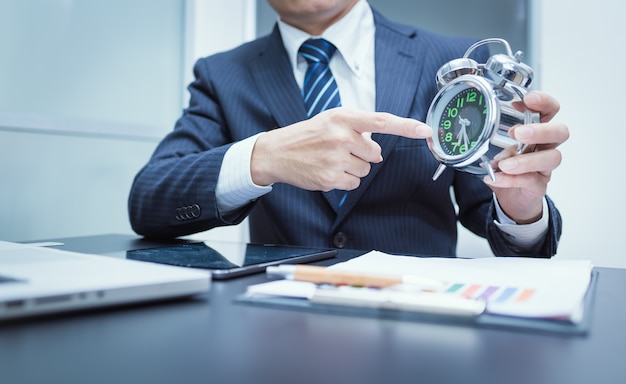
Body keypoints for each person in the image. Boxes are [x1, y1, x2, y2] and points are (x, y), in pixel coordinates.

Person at [128, 0, 568, 257]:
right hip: (280, 330)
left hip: (422, 332)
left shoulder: (451, 64)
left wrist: (521, 212)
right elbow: (149, 202)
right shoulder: (224, 75)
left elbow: (514, 242)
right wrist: (261, 158)